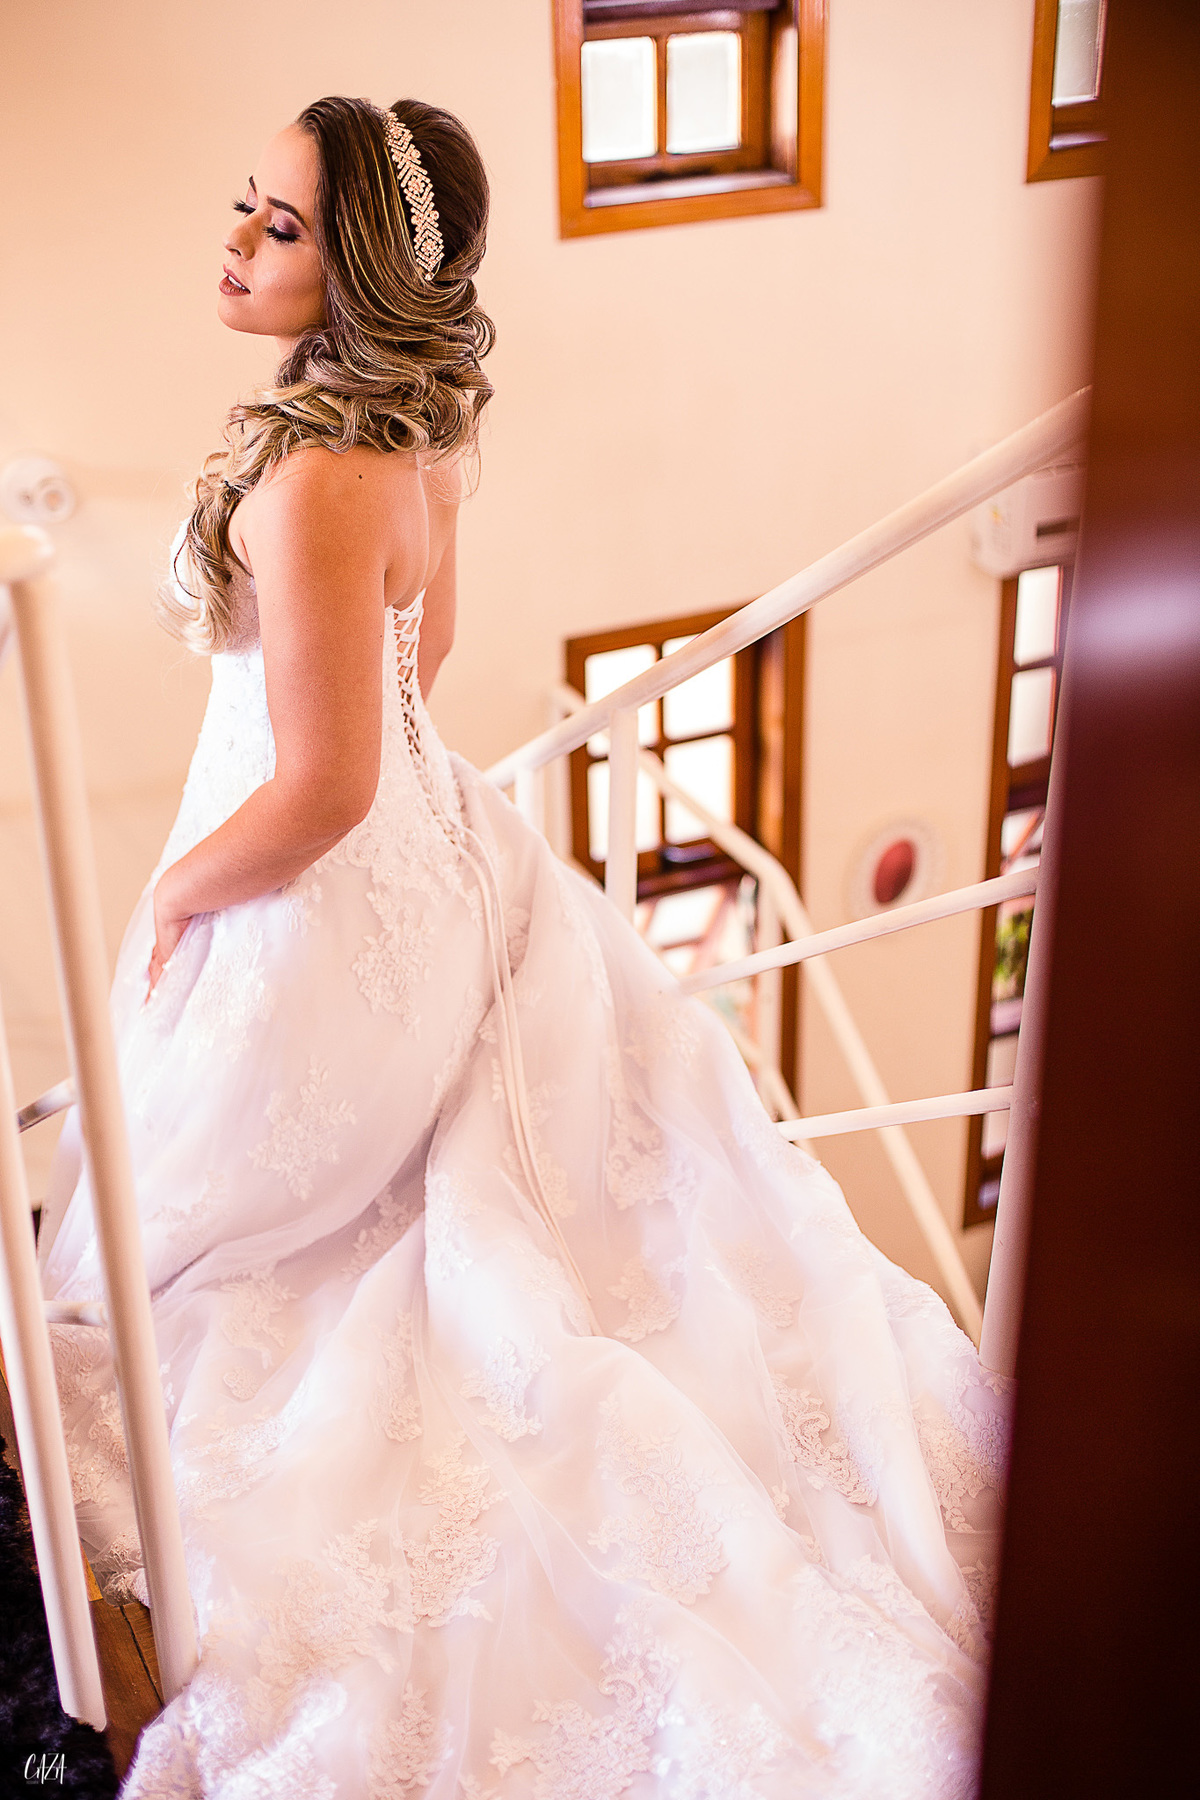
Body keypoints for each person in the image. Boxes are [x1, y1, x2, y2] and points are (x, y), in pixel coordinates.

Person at [41, 96, 1009, 1799]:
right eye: (245, 205)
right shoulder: (415, 428)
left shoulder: (315, 475)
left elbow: (329, 782)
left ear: (346, 271)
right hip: (426, 843)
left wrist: (181, 886)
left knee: (204, 1214)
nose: (235, 240)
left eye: (275, 225)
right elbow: (428, 656)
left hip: (333, 870)